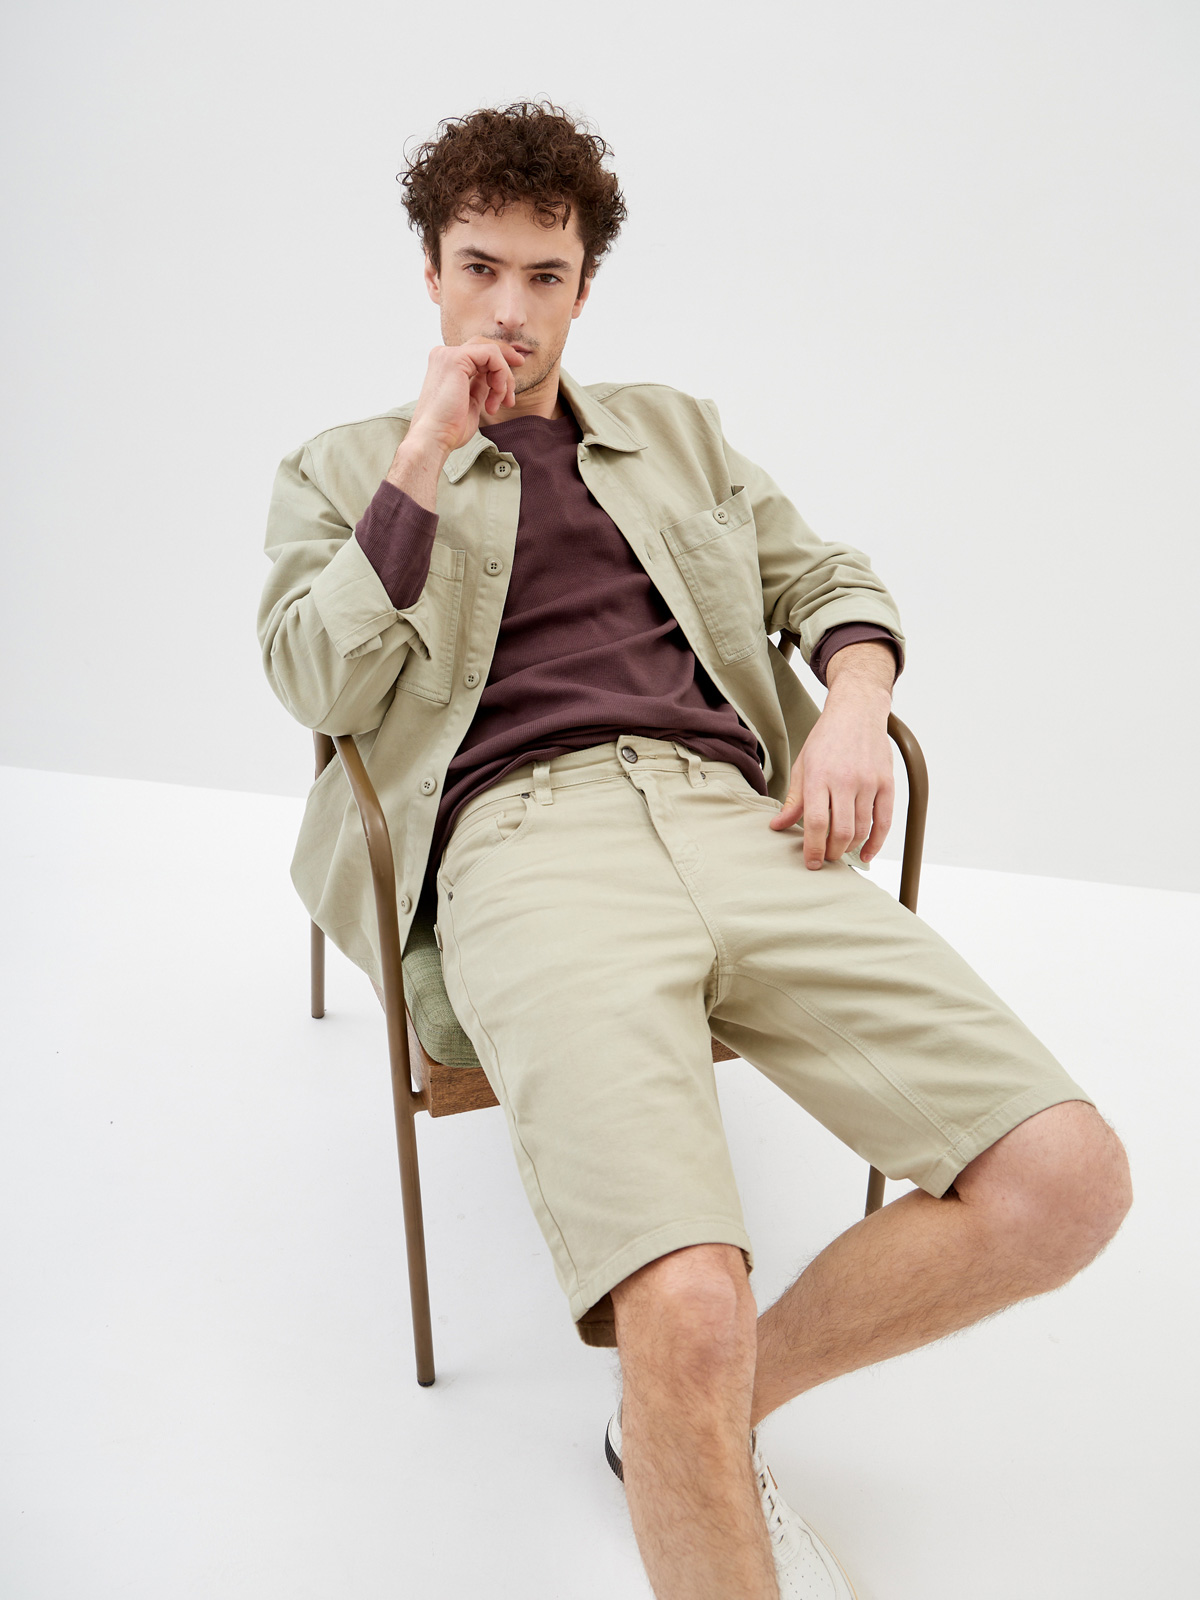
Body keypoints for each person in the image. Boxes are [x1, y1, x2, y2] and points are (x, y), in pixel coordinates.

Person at [257, 100, 1132, 1600]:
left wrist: (852, 708)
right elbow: (316, 687)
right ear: (432, 275)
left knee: (1068, 1179)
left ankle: (687, 1424)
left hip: (740, 816)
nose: (511, 310)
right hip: (521, 845)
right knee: (684, 1306)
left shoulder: (671, 431)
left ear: (584, 288)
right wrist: (424, 455)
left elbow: (825, 576)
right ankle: (690, 1398)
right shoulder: (344, 466)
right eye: (481, 269)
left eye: (545, 275)